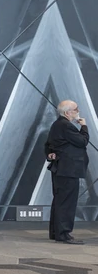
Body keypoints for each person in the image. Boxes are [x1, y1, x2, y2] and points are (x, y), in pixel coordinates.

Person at [45, 100, 90, 244]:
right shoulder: (65, 126)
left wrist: (50, 154)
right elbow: (83, 141)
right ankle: (63, 234)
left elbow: (49, 144)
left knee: (60, 201)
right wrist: (84, 126)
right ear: (67, 112)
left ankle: (56, 232)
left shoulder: (57, 125)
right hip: (68, 170)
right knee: (67, 203)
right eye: (76, 109)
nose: (78, 111)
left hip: (61, 168)